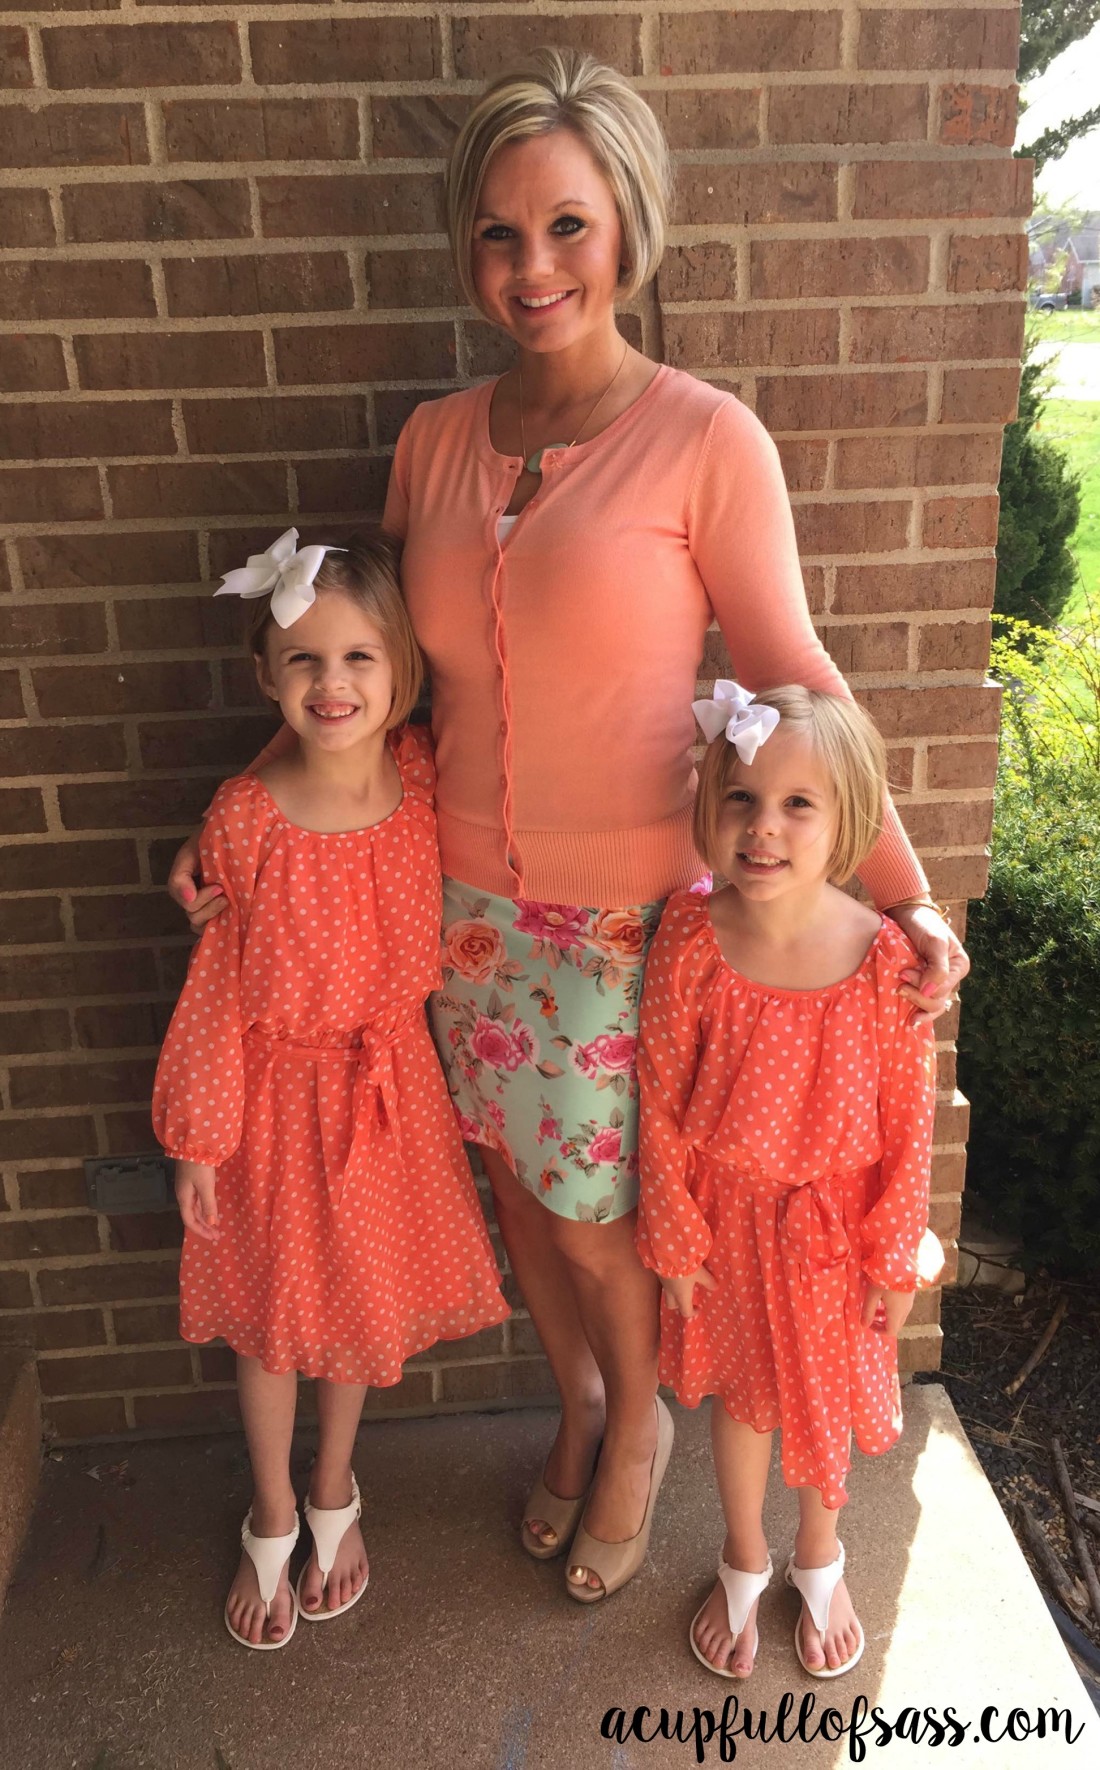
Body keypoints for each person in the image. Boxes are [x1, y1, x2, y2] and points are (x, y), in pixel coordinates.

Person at [170, 50, 967, 1605]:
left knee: (604, 1219)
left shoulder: (705, 441)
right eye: (498, 234)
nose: (532, 268)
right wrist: (241, 813)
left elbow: (798, 678)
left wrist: (911, 895)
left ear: (628, 234)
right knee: (521, 1195)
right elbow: (372, 682)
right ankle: (583, 1402)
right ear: (466, 248)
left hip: (626, 920)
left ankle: (639, 1430)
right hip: (454, 908)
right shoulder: (433, 440)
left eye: (568, 228)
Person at [154, 529, 507, 1650]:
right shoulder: (246, 819)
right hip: (269, 1099)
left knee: (355, 1308)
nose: (332, 683)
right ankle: (269, 1505)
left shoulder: (416, 770)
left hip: (386, 1092)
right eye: (301, 662)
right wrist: (196, 1137)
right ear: (267, 676)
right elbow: (215, 988)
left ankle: (334, 1491)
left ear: (399, 670)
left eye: (358, 658)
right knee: (268, 1327)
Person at [637, 683, 942, 1679]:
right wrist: (675, 1241)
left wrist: (893, 1253)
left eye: (796, 805)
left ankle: (820, 1555)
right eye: (740, 800)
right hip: (722, 1224)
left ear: (846, 818)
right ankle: (739, 1551)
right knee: (743, 1403)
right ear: (710, 808)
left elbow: (908, 1123)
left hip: (835, 1230)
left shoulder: (879, 958)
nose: (763, 829)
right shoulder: (690, 937)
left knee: (821, 1399)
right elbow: (660, 1093)